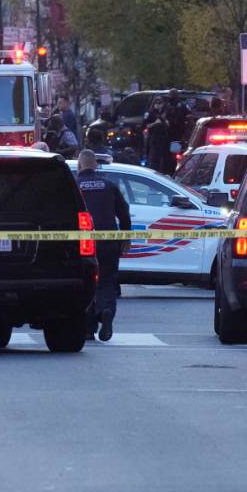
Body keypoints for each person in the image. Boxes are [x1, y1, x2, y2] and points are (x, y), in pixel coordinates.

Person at [75, 149, 131, 342]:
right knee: (107, 280)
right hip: (109, 240)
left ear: (79, 165)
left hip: (82, 242)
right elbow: (124, 213)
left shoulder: (74, 186)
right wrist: (126, 238)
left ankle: (88, 328)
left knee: (85, 281)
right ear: (96, 165)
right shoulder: (109, 185)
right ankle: (106, 311)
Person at [163, 89, 190, 175]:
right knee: (171, 155)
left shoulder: (177, 105)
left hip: (174, 134)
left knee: (172, 155)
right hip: (173, 135)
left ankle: (172, 172)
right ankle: (170, 171)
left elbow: (187, 117)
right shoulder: (171, 105)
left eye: (170, 95)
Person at [143, 96, 169, 173]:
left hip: (163, 138)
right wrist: (155, 123)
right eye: (157, 103)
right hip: (154, 138)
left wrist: (166, 123)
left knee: (162, 158)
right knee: (153, 158)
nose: (158, 105)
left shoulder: (162, 113)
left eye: (160, 103)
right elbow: (145, 125)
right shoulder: (150, 113)